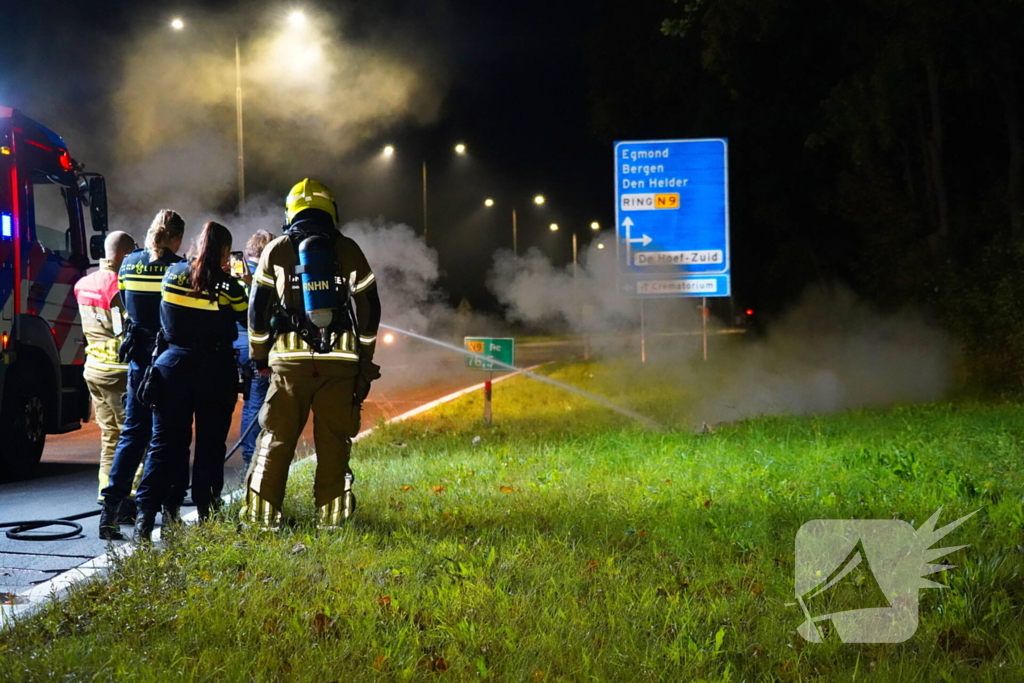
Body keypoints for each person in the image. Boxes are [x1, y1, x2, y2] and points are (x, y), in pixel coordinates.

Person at [242, 179, 381, 530]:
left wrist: (259, 355)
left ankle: (261, 521)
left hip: (290, 365)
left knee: (275, 439)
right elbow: (369, 307)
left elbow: (258, 309)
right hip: (341, 364)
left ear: (291, 211)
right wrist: (364, 360)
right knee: (333, 440)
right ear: (331, 210)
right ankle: (332, 521)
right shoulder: (348, 249)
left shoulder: (276, 249)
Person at [133, 222, 247, 541]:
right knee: (210, 446)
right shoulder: (230, 287)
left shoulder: (172, 274)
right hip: (214, 372)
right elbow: (247, 317)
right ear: (225, 251)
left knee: (166, 445)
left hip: (171, 368)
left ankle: (151, 515)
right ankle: (207, 513)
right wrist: (244, 282)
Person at [98, 210, 185, 541]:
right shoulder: (178, 268)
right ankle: (161, 511)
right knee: (167, 440)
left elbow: (124, 308)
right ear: (175, 238)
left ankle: (110, 513)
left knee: (132, 436)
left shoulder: (128, 264)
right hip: (168, 363)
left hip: (136, 361)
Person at [73, 231, 137, 501]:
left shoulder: (82, 284)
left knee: (109, 434)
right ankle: (127, 495)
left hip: (93, 368)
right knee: (131, 437)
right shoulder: (118, 286)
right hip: (117, 370)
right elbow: (125, 329)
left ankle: (105, 490)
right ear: (124, 254)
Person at [233, 229, 274, 472]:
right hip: (256, 346)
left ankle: (250, 455)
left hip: (234, 346)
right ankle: (252, 457)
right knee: (257, 402)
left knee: (249, 401)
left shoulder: (235, 273)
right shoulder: (264, 275)